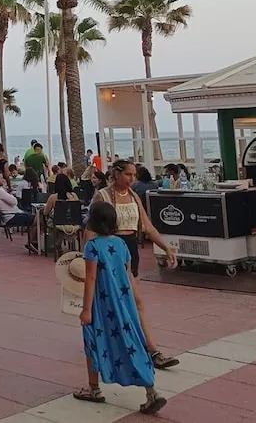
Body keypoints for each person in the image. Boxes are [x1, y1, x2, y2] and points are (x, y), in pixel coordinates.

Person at [74, 201, 167, 415]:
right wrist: (134, 301)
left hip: (102, 305)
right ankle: (151, 390)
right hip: (124, 302)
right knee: (133, 340)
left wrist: (86, 309)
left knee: (92, 339)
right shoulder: (121, 244)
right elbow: (127, 273)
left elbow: (90, 278)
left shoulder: (92, 247)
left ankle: (94, 388)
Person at [92, 160, 179, 369]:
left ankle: (141, 347)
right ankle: (150, 349)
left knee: (131, 301)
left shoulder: (133, 196)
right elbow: (91, 229)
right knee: (127, 301)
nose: (132, 179)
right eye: (128, 175)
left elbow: (147, 226)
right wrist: (88, 258)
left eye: (134, 175)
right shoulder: (102, 196)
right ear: (117, 174)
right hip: (110, 252)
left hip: (129, 252)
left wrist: (166, 248)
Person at [0, 170, 38, 253]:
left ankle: (33, 242)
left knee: (37, 219)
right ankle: (32, 242)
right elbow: (14, 201)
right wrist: (8, 193)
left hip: (9, 215)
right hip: (12, 216)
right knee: (39, 219)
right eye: (1, 178)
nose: (3, 180)